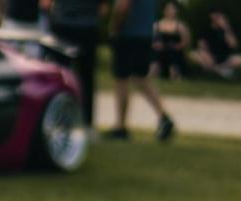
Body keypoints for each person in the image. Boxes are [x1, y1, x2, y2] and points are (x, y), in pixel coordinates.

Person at [107, 0, 176, 140]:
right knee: (140, 78)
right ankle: (164, 117)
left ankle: (120, 126)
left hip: (128, 34)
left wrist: (114, 27)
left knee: (121, 79)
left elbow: (123, 6)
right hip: (144, 34)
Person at [42, 0, 103, 131]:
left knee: (60, 77)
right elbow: (102, 8)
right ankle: (87, 122)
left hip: (63, 24)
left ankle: (59, 120)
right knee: (86, 78)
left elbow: (46, 4)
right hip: (88, 26)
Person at [193, 9, 241, 78]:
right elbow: (201, 45)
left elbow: (233, 45)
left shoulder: (227, 30)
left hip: (225, 57)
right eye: (216, 17)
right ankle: (221, 71)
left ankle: (213, 69)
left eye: (219, 17)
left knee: (239, 60)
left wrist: (226, 28)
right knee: (194, 55)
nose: (217, 19)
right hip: (210, 56)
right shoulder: (206, 29)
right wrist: (205, 52)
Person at [152, 1, 190, 78]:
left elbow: (185, 42)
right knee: (155, 53)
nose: (170, 11)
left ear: (176, 11)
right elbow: (152, 40)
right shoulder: (157, 25)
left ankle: (174, 73)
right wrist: (155, 45)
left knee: (171, 52)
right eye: (168, 9)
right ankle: (152, 73)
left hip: (175, 51)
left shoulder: (180, 26)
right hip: (160, 51)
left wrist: (176, 46)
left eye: (172, 9)